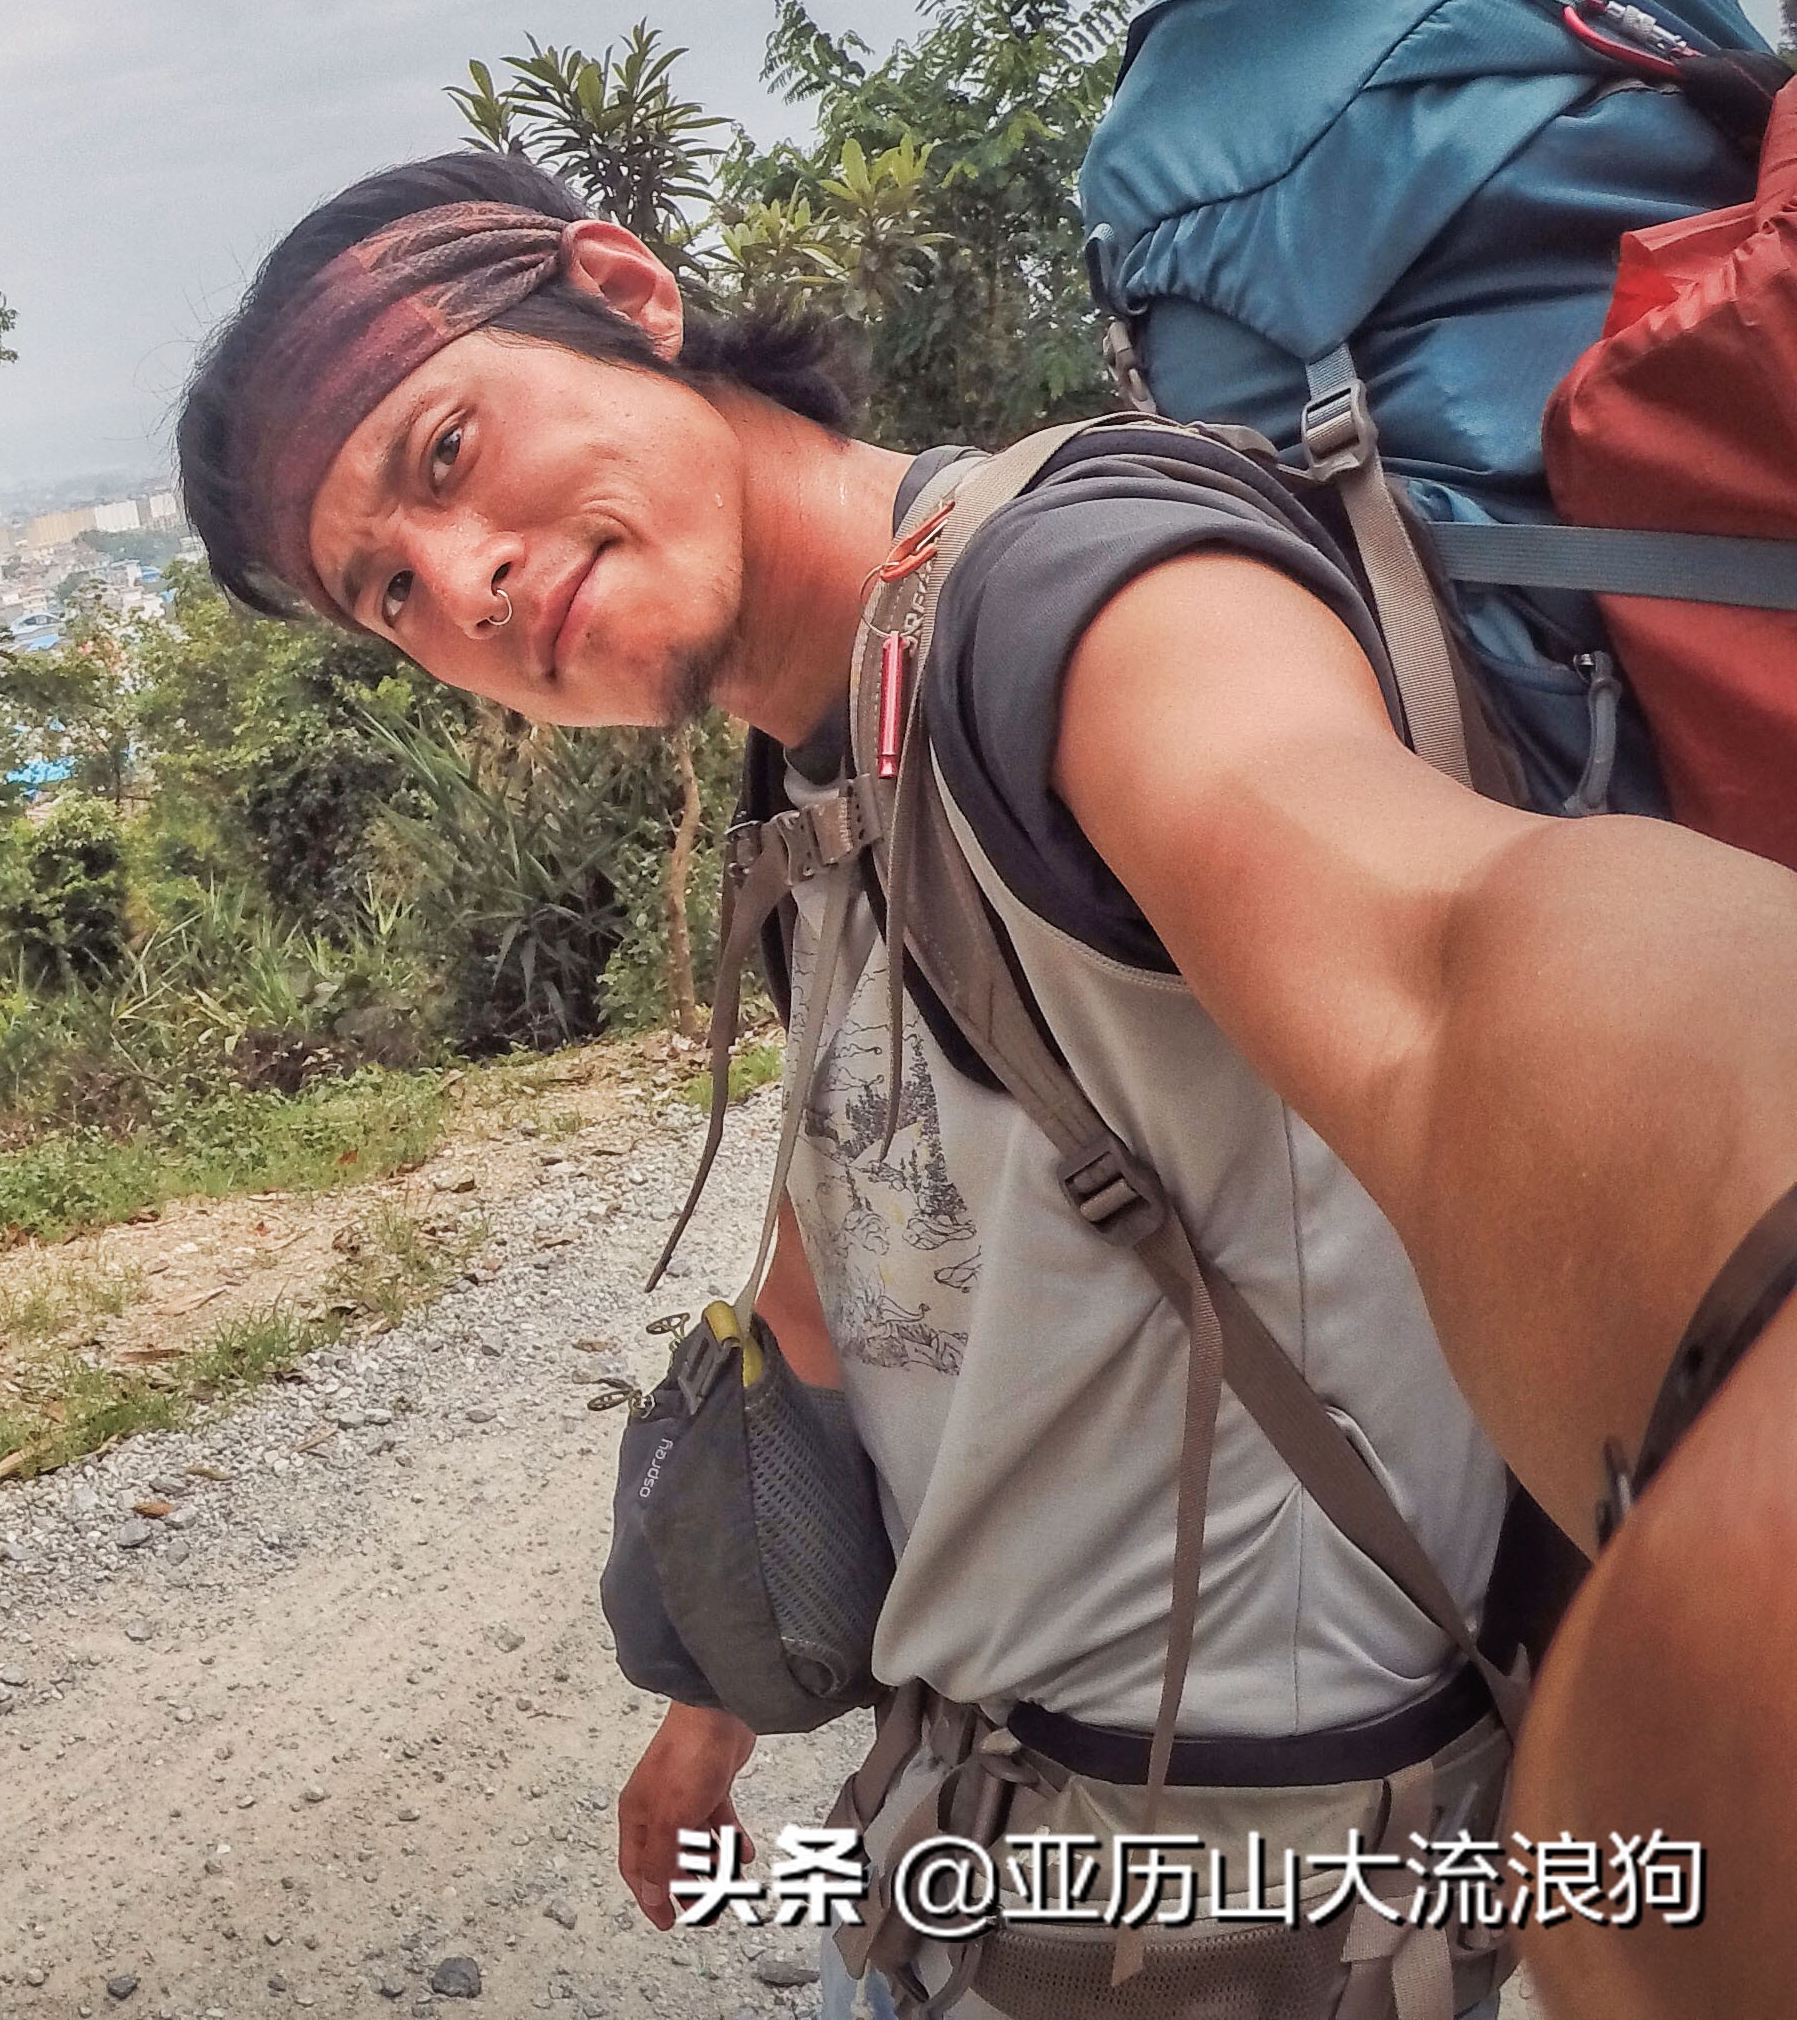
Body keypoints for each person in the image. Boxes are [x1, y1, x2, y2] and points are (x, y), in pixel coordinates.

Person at [171, 148, 1797, 2020]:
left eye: (445, 455)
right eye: (388, 594)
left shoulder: (1074, 601)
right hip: (960, 1881)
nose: (460, 584)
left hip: (1257, 1928)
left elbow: (1451, 960)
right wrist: (712, 1708)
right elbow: (841, 1264)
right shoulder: (821, 775)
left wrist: (1744, 1314)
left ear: (627, 295)